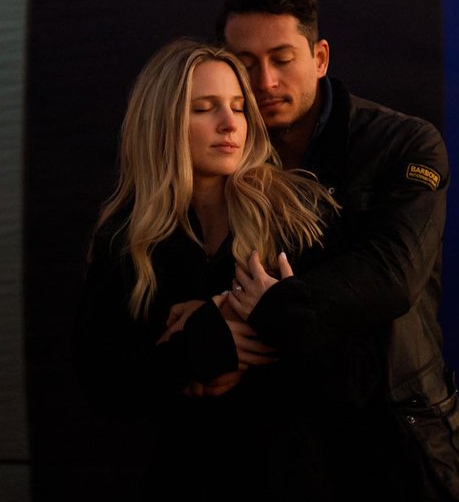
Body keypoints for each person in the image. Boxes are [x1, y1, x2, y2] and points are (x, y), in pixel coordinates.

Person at [219, 0, 459, 502]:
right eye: (245, 62)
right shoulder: (218, 158)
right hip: (284, 457)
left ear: (320, 58)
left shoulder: (404, 143)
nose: (265, 80)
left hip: (408, 449)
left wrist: (278, 306)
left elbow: (393, 275)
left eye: (282, 58)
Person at [72, 36, 337, 498]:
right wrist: (199, 346)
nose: (230, 123)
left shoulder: (296, 216)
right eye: (204, 108)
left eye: (238, 107)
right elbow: (105, 386)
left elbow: (341, 360)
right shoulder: (125, 239)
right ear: (163, 122)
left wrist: (238, 320)